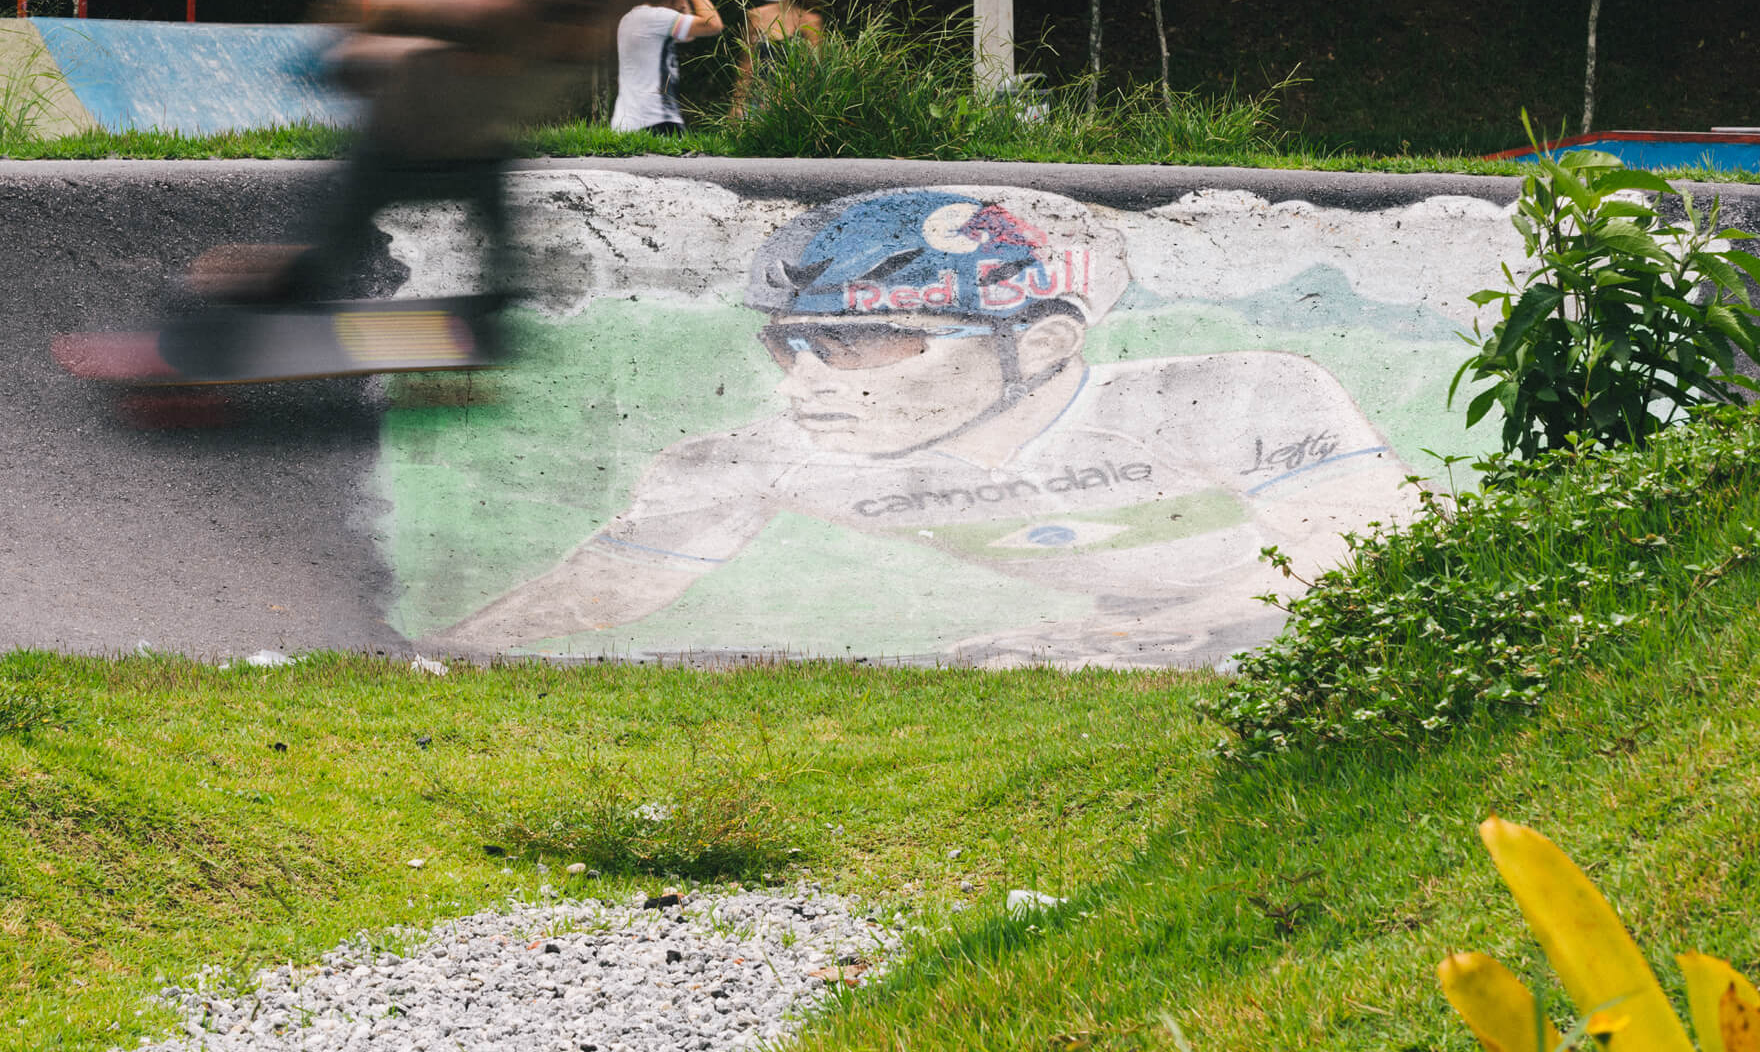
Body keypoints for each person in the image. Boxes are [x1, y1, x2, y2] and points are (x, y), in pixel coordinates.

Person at [424, 186, 1414, 668]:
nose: (804, 383)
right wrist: (425, 664)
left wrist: (1109, 635)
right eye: (789, 346)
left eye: (870, 340)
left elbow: (1381, 553)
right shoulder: (758, 460)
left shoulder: (1239, 394)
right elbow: (589, 595)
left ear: (1043, 343)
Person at [195, 0, 684, 320]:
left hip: (480, 152)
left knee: (506, 279)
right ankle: (208, 297)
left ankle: (491, 315)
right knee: (322, 265)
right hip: (395, 146)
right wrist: (340, 61)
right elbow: (363, 5)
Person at [610, 0, 722, 135]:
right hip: (654, 122)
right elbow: (713, 25)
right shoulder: (657, 18)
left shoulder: (635, 18)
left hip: (633, 122)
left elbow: (690, 36)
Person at [730, 0, 821, 119]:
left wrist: (790, 97)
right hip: (758, 100)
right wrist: (737, 103)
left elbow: (814, 69)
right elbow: (746, 65)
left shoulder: (809, 20)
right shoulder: (755, 15)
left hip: (795, 104)